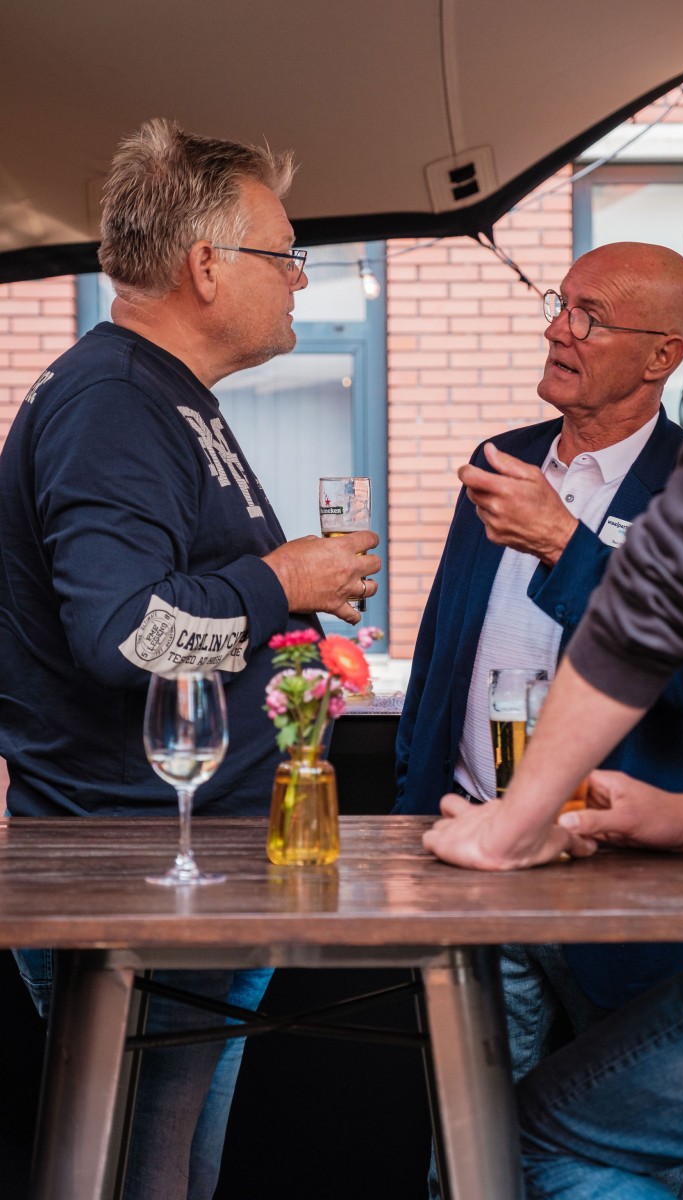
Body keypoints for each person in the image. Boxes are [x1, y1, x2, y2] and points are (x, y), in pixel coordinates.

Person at [0, 118, 380, 1200]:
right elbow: (129, 637)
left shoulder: (157, 396)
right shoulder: (114, 404)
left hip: (191, 862)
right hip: (139, 871)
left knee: (166, 1169)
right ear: (207, 265)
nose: (300, 278)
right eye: (285, 253)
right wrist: (283, 582)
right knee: (145, 1174)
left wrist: (289, 624)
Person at [422, 278, 683, 1197]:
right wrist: (419, 804)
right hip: (474, 858)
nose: (559, 328)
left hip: (619, 878)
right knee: (463, 1150)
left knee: (605, 1150)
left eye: (588, 316)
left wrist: (567, 543)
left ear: (662, 355)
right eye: (561, 303)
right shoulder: (502, 460)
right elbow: (443, 649)